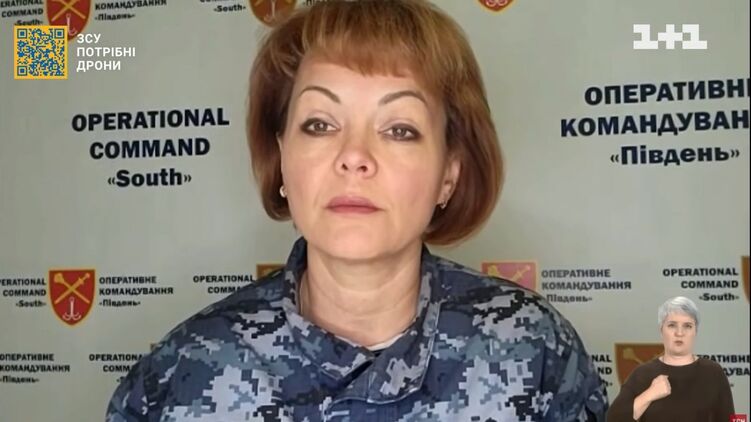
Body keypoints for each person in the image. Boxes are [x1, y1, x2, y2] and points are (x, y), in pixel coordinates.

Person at [106, 0, 607, 420]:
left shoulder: (534, 350)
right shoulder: (179, 377)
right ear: (282, 159)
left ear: (448, 174)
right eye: (320, 124)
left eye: (399, 129)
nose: (354, 157)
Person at [607, 296, 735, 422]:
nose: (679, 333)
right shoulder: (643, 374)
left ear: (695, 331)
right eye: (672, 325)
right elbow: (613, 418)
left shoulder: (713, 372)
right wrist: (649, 395)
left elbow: (733, 419)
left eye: (687, 326)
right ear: (661, 330)